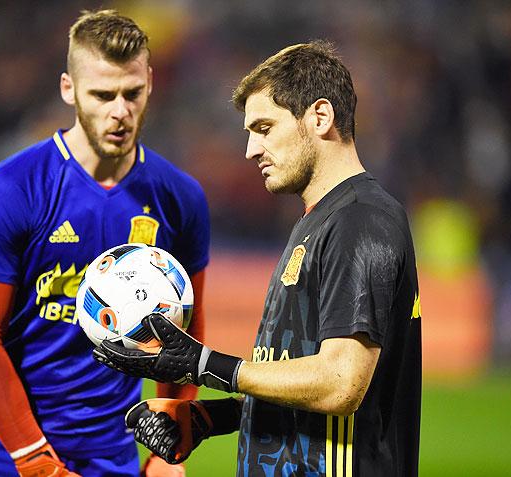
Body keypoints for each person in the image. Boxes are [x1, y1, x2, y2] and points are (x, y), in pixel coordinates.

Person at [94, 40, 422, 476]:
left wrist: (203, 365)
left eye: (264, 128)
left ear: (320, 117)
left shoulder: (360, 220)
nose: (250, 149)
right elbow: (301, 379)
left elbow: (341, 383)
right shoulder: (320, 220)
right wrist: (214, 418)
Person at [0, 9, 209, 477]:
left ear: (150, 80)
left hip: (112, 454)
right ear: (68, 89)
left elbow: (184, 334)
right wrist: (36, 461)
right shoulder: (11, 189)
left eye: (132, 93)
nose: (120, 112)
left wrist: (171, 448)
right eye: (102, 95)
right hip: (0, 453)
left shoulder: (180, 198)